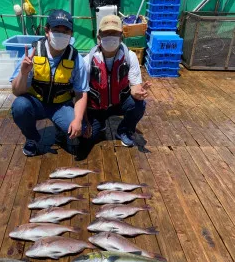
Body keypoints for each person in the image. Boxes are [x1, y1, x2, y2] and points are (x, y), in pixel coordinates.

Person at [10, 9, 89, 157]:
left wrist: (78, 119)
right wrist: (23, 72)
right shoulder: (33, 54)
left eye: (66, 31)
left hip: (61, 105)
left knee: (81, 130)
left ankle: (61, 130)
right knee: (19, 106)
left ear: (71, 34)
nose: (61, 34)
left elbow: (81, 93)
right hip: (36, 102)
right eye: (56, 29)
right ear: (47, 31)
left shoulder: (76, 58)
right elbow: (16, 91)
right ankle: (32, 138)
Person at [78, 14, 151, 157]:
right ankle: (100, 123)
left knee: (139, 104)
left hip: (119, 102)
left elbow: (135, 85)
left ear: (121, 36)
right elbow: (82, 92)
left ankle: (123, 130)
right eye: (106, 33)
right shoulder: (88, 60)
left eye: (114, 33)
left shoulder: (130, 57)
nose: (110, 37)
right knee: (86, 138)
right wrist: (84, 118)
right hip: (96, 107)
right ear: (99, 37)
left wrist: (137, 93)